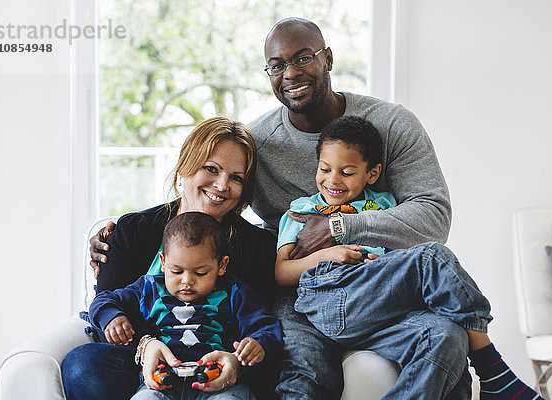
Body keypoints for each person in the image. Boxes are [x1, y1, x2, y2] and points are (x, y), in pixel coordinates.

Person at [91, 17, 463, 400]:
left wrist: (337, 229)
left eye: (303, 58)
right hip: (303, 295)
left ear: (328, 59)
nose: (290, 73)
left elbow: (433, 216)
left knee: (448, 338)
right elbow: (209, 221)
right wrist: (108, 233)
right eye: (276, 65)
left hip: (383, 287)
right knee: (302, 372)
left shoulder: (390, 125)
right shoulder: (260, 147)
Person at [275, 116, 544, 400]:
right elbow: (282, 272)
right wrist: (329, 253)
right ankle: (493, 372)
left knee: (447, 336)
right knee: (431, 257)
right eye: (325, 169)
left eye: (347, 172)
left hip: (383, 308)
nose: (333, 180)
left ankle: (488, 373)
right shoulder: (301, 210)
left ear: (373, 174)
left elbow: (407, 248)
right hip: (332, 298)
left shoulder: (385, 205)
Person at [62, 117, 279, 400]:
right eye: (211, 169)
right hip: (140, 364)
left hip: (213, 370)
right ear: (185, 166)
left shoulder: (257, 248)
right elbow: (106, 312)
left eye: (236, 178)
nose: (222, 185)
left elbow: (260, 327)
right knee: (81, 366)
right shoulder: (132, 231)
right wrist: (146, 346)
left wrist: (237, 363)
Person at [90, 211, 282, 400]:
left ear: (221, 265)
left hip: (218, 382)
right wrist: (112, 316)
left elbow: (266, 327)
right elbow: (103, 299)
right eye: (177, 271)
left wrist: (258, 344)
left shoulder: (234, 293)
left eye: (200, 273)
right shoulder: (149, 288)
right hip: (161, 382)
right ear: (163, 262)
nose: (187, 281)